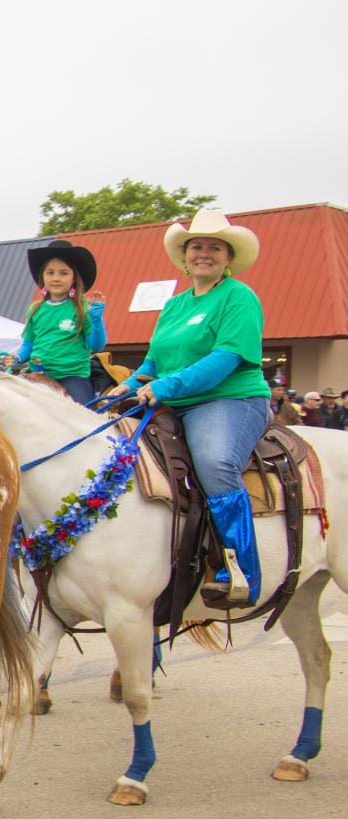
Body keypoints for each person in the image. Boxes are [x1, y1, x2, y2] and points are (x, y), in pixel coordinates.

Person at [115, 209, 270, 609]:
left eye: (215, 247)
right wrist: (126, 386)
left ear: (228, 257)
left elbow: (226, 359)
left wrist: (166, 386)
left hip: (230, 399)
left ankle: (242, 572)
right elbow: (153, 363)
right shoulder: (175, 306)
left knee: (215, 462)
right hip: (173, 401)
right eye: (196, 246)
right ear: (185, 257)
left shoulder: (239, 297)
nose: (204, 253)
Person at [17, 240, 108, 402]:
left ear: (74, 278)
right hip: (37, 374)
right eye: (50, 273)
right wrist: (16, 357)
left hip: (72, 378)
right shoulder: (35, 309)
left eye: (63, 273)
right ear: (43, 277)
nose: (56, 278)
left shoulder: (83, 307)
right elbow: (28, 345)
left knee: (82, 416)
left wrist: (95, 318)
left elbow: (97, 345)